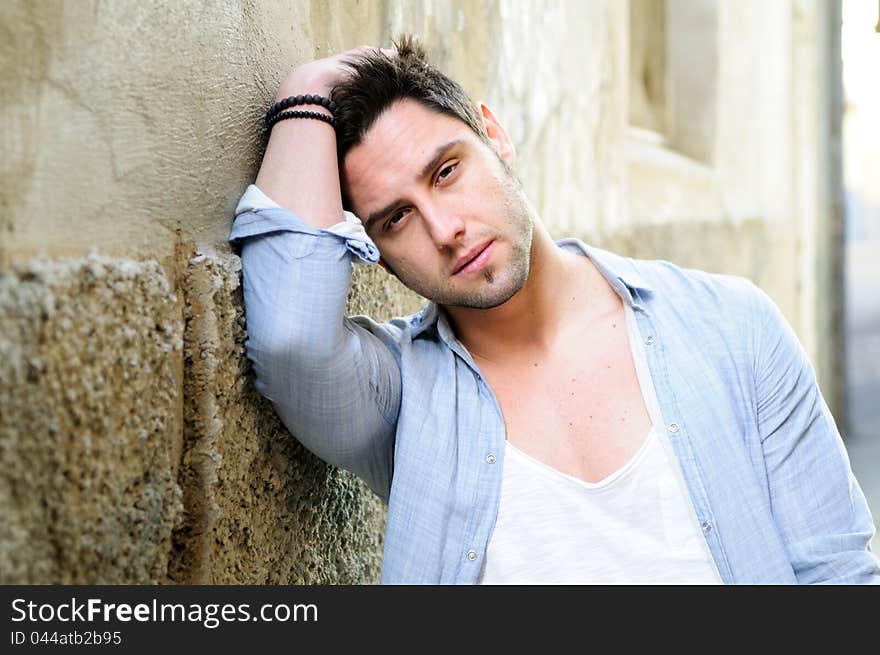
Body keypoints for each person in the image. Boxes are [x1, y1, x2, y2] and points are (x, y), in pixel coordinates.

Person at [229, 37, 879, 584]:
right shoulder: (403, 400)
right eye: (397, 218)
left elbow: (839, 575)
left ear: (496, 135)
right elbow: (291, 341)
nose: (445, 227)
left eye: (446, 171)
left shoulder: (731, 327)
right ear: (375, 251)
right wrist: (309, 87)